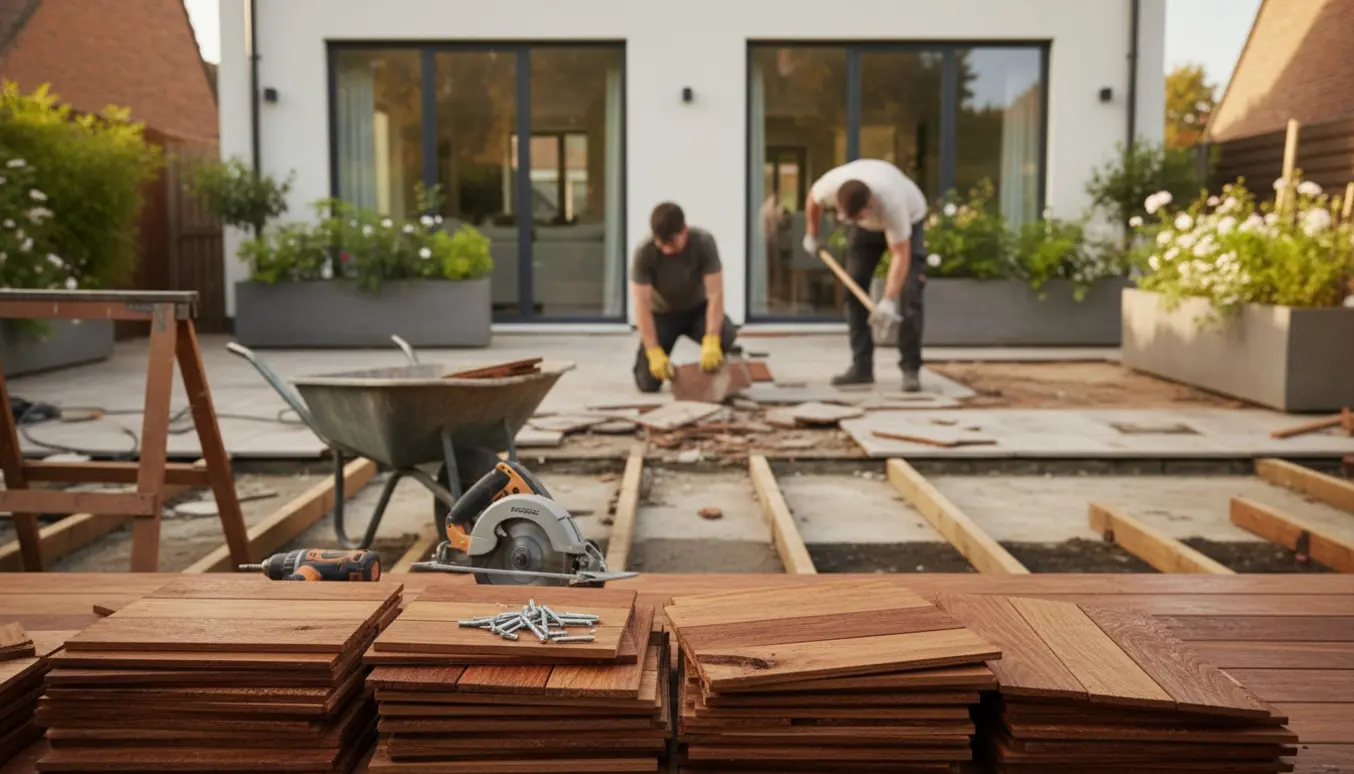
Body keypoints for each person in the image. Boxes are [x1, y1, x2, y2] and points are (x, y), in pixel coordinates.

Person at [801, 159, 929, 392]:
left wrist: (888, 300)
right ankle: (861, 368)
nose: (856, 221)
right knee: (854, 289)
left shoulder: (892, 203)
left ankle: (910, 369)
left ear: (870, 204)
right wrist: (812, 233)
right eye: (852, 219)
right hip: (865, 232)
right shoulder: (830, 186)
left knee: (910, 294)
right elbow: (812, 199)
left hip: (910, 219)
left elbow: (900, 254)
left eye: (860, 217)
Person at [630, 202, 738, 393]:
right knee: (647, 382)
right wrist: (653, 351)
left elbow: (715, 294)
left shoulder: (703, 242)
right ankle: (665, 369)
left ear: (684, 230)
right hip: (662, 315)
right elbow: (642, 306)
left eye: (672, 243)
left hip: (697, 310)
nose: (667, 250)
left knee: (725, 335)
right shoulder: (644, 253)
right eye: (662, 244)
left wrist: (712, 338)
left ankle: (720, 358)